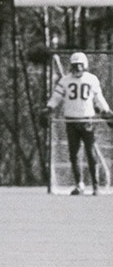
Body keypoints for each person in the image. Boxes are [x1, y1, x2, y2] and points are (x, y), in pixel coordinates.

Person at [45, 52, 112, 196]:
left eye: (80, 65)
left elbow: (98, 98)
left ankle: (95, 186)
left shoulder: (92, 79)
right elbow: (57, 97)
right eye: (75, 66)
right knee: (73, 154)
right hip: (71, 120)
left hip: (87, 120)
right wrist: (49, 107)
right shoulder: (65, 81)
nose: (77, 68)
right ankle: (79, 184)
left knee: (91, 153)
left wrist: (106, 111)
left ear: (85, 65)